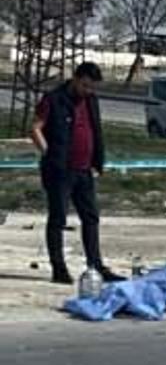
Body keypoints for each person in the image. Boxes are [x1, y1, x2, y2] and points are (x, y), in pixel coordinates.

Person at [30, 62, 125, 285]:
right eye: (85, 86)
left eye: (92, 87)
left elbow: (95, 130)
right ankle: (59, 268)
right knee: (58, 218)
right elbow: (35, 128)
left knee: (90, 217)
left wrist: (97, 162)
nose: (88, 91)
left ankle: (96, 265)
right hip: (60, 170)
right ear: (75, 78)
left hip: (85, 170)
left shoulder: (91, 101)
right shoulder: (53, 99)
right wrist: (49, 153)